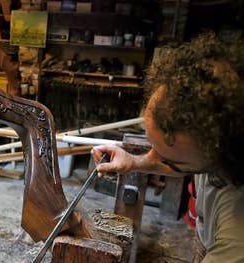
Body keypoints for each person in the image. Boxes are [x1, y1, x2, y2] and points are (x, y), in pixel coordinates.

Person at [91, 32, 244, 263]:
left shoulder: (236, 236)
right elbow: (177, 161)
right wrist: (133, 161)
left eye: (169, 159)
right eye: (155, 147)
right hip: (205, 236)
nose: (157, 157)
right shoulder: (216, 145)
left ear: (222, 151)